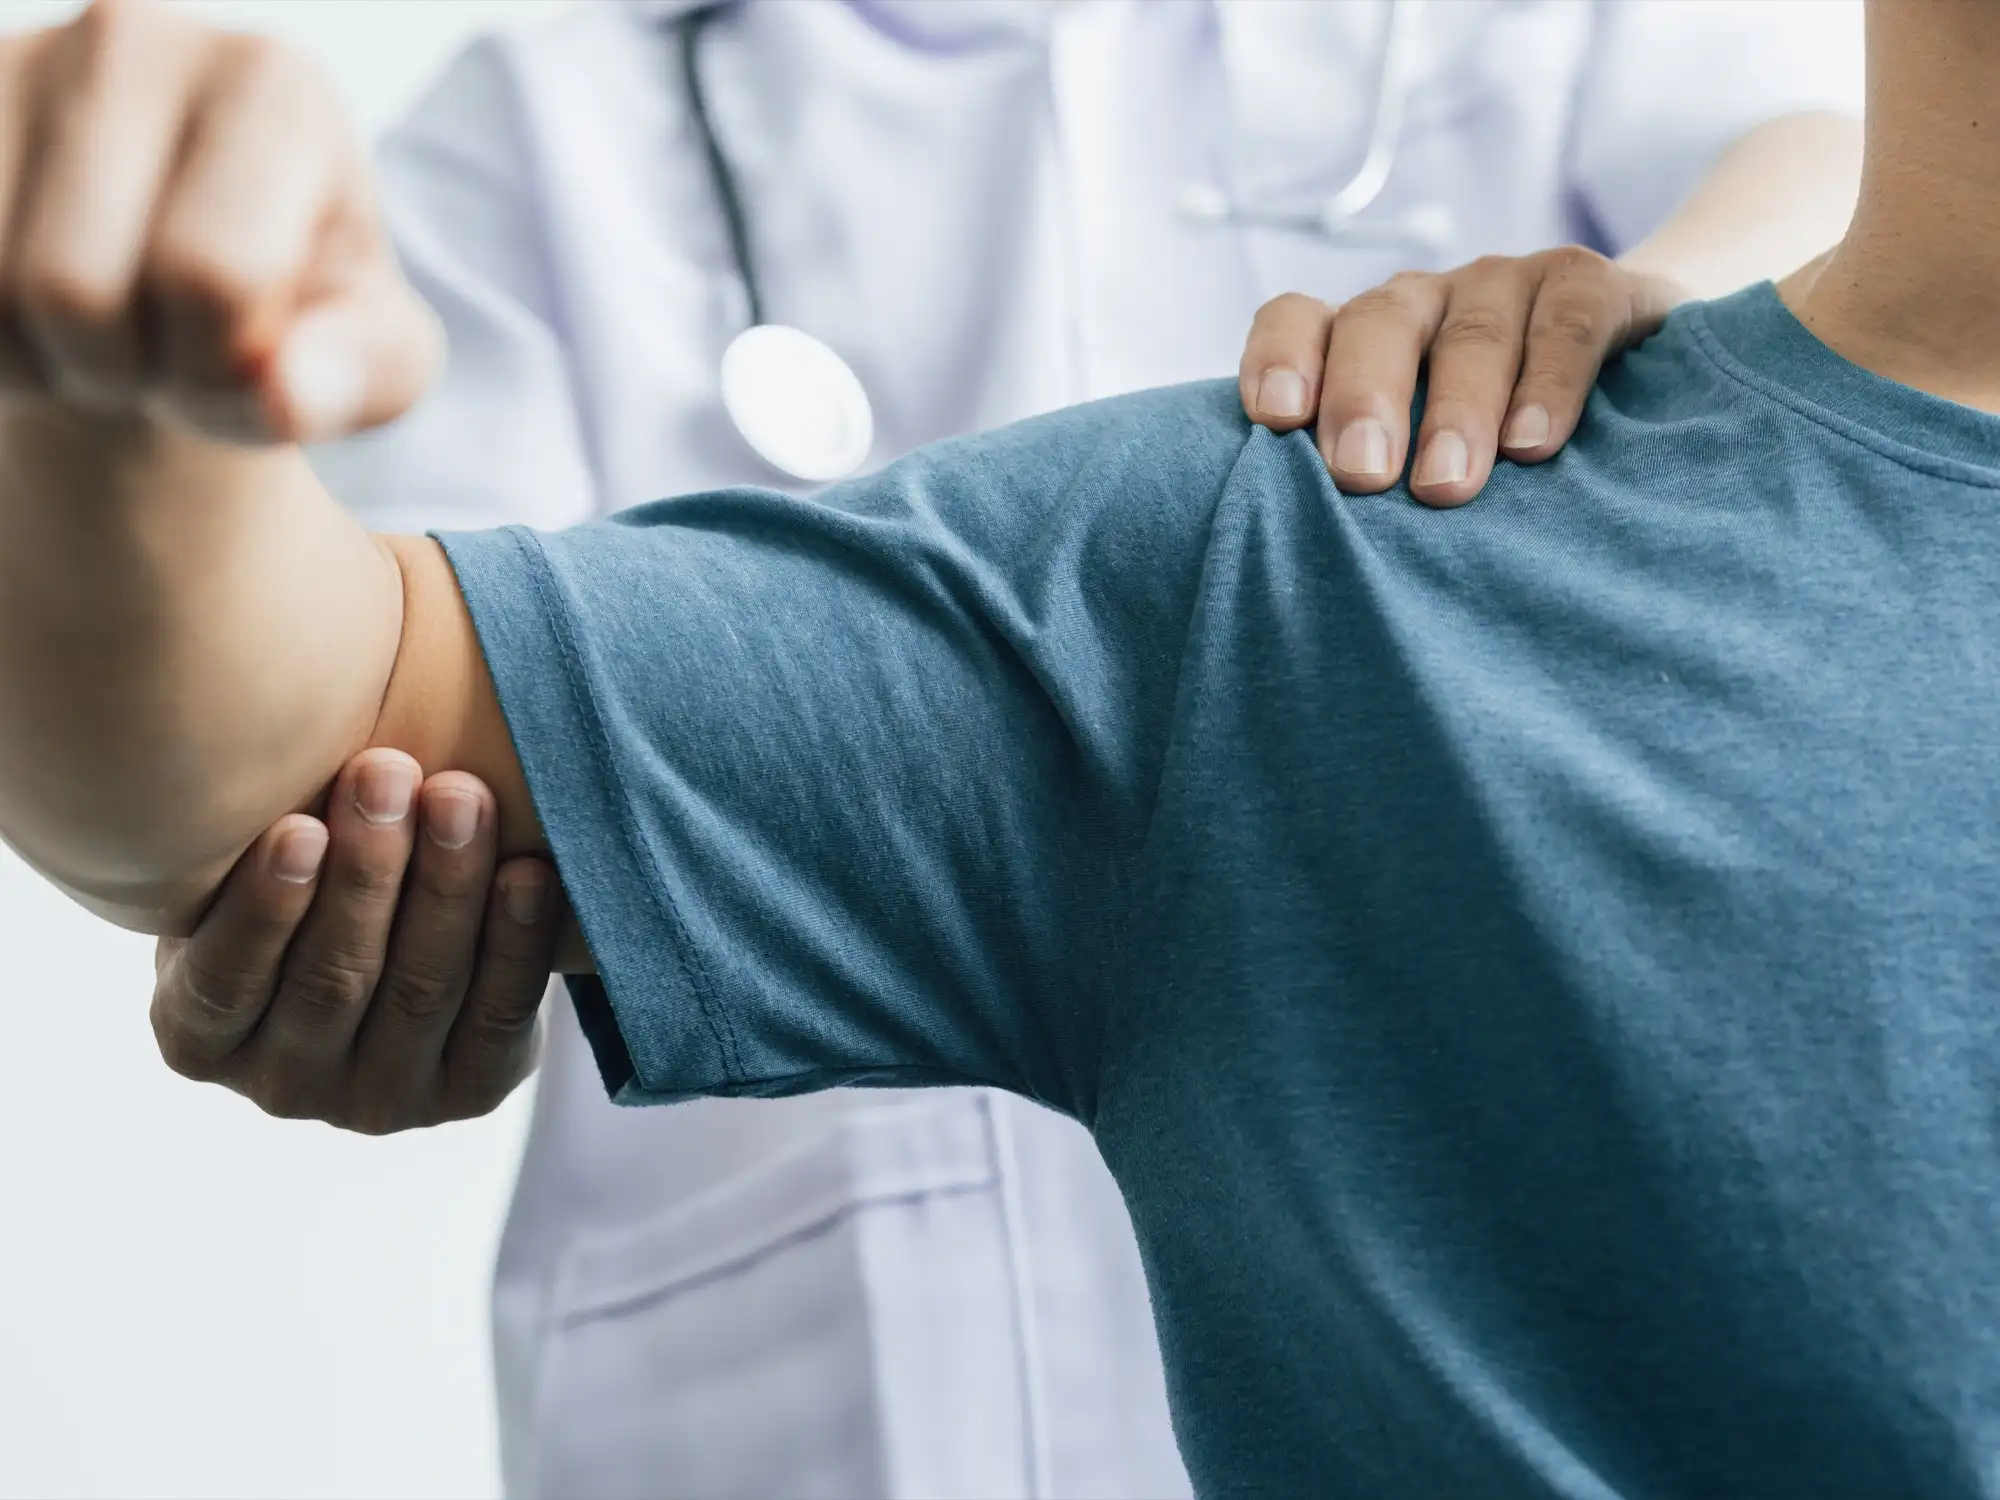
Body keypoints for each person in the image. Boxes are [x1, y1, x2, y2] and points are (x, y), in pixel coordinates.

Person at [2, 1, 1866, 1496]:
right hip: (792, 1404)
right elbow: (309, 747)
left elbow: (1864, 203)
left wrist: (1673, 303)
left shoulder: (1575, 39)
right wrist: (102, 423)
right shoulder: (543, 138)